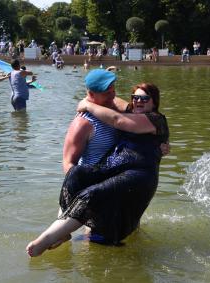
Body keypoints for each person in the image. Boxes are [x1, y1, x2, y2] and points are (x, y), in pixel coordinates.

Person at [26, 79, 169, 257]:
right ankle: (63, 231)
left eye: (144, 99)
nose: (138, 101)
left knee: (93, 195)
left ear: (154, 102)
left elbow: (117, 120)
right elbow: (112, 100)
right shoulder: (132, 110)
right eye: (135, 98)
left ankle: (47, 238)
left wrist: (87, 105)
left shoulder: (156, 119)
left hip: (138, 174)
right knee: (76, 173)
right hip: (113, 169)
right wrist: (89, 96)